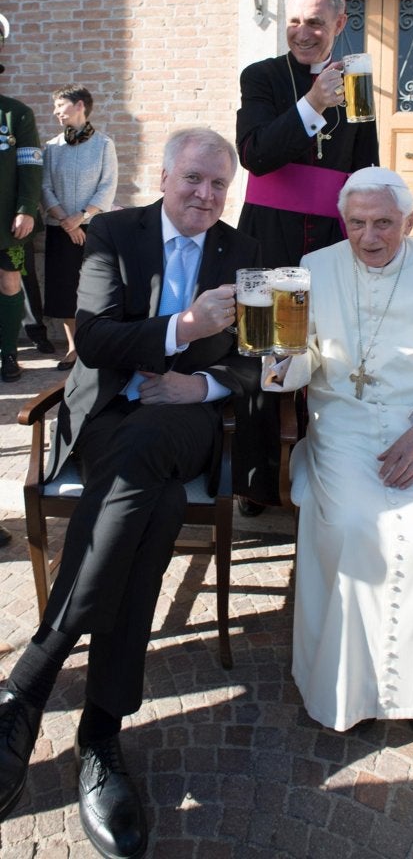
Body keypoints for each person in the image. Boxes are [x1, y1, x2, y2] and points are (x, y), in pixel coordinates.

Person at [0, 128, 262, 857]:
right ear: (165, 175)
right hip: (109, 415)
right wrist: (184, 327)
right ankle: (100, 736)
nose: (205, 194)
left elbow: (258, 360)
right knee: (159, 504)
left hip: (187, 420)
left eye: (219, 184)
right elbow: (95, 338)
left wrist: (199, 385)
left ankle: (29, 684)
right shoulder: (115, 233)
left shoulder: (242, 253)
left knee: (152, 447)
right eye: (194, 178)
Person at [262, 166, 413, 740]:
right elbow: (298, 360)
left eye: (384, 224)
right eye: (356, 224)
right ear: (343, 221)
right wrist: (279, 359)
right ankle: (347, 691)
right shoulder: (311, 270)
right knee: (350, 525)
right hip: (343, 426)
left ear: (410, 221)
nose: (369, 237)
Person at [235, 0, 380, 513]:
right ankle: (256, 481)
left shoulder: (357, 81)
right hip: (267, 234)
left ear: (339, 24)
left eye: (316, 22)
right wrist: (313, 103)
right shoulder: (262, 77)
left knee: (328, 353)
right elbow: (254, 154)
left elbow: (365, 166)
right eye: (294, 20)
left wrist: (373, 227)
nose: (303, 32)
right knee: (263, 353)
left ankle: (324, 471)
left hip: (330, 239)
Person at [42, 84, 118, 371]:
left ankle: (95, 343)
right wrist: (67, 221)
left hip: (94, 229)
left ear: (79, 106)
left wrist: (82, 216)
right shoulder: (52, 147)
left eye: (60, 105)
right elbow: (45, 187)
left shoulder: (104, 145)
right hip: (60, 229)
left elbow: (107, 185)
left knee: (96, 288)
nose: (55, 112)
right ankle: (73, 348)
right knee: (64, 290)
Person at [0, 12, 43, 386]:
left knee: (9, 282)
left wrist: (27, 209)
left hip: (6, 220)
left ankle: (8, 354)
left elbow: (31, 165)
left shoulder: (17, 114)